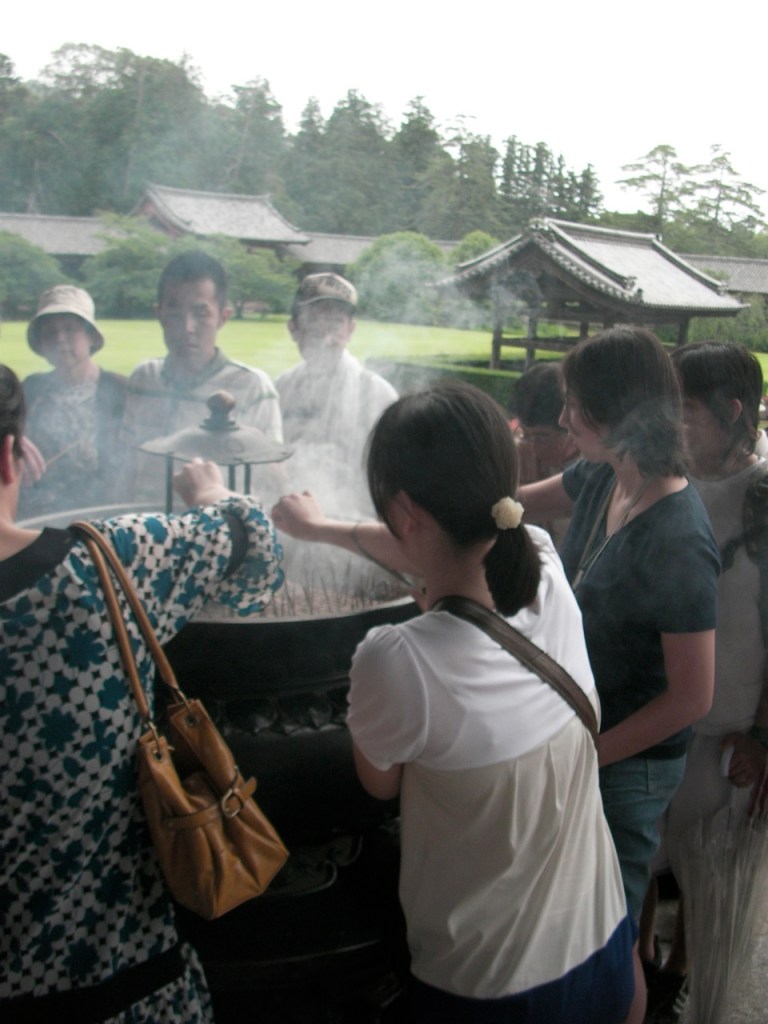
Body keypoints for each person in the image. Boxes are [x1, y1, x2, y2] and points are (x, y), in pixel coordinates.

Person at [273, 380, 639, 1023]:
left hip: (492, 983)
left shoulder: (399, 658)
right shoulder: (547, 568)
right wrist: (321, 528)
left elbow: (378, 783)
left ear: (407, 513)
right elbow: (443, 548)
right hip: (602, 938)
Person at [0, 363, 284, 1021]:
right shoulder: (100, 568)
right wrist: (211, 488)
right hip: (122, 981)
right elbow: (255, 545)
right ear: (13, 457)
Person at [515, 327, 719, 1018]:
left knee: (612, 931)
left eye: (575, 406)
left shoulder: (679, 536)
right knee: (570, 917)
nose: (565, 419)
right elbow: (523, 503)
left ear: (619, 411)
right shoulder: (606, 473)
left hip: (626, 765)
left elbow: (693, 695)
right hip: (581, 738)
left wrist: (590, 753)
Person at [640, 342, 768, 1023]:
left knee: (710, 875)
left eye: (683, 408)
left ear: (732, 410)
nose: (671, 422)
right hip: (652, 717)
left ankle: (684, 973)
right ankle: (640, 969)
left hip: (726, 731)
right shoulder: (661, 479)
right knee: (634, 858)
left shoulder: (764, 498)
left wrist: (763, 737)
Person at [117, 251, 283, 507]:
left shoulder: (252, 386)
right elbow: (128, 463)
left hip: (215, 534)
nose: (187, 327)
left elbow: (273, 481)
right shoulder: (144, 379)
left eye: (201, 313)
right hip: (146, 531)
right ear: (159, 314)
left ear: (223, 317)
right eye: (174, 313)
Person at [276, 272, 397, 517]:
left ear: (350, 330)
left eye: (334, 323)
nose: (325, 335)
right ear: (294, 329)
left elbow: (394, 479)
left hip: (354, 530)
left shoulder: (377, 394)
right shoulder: (280, 389)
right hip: (288, 526)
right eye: (314, 321)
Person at [18, 285, 127, 520]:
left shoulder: (120, 391)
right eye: (50, 332)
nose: (60, 339)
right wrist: (10, 437)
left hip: (99, 517)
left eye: (70, 329)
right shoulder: (29, 389)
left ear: (90, 337)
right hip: (34, 516)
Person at [511, 361, 580, 546]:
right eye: (526, 434)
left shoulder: (593, 466)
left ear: (572, 425)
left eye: (543, 438)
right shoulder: (519, 452)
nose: (533, 448)